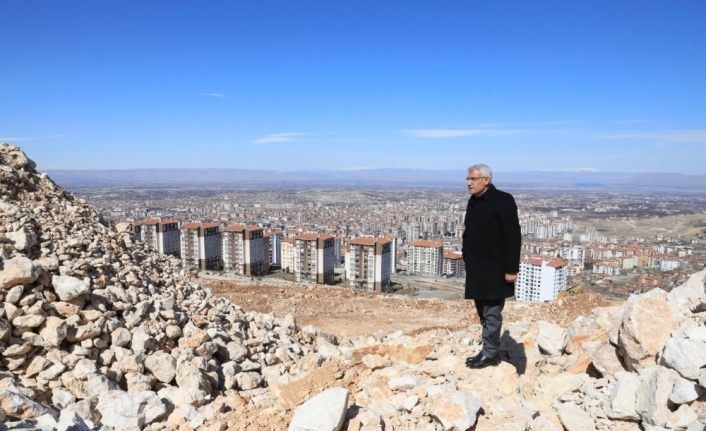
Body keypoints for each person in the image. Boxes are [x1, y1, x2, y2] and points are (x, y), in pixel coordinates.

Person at [462, 163, 521, 369]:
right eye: (467, 179)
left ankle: (490, 354)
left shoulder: (503, 201)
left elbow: (513, 236)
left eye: (473, 179)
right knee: (482, 310)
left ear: (486, 180)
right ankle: (490, 348)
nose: (468, 183)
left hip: (496, 269)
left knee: (492, 312)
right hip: (477, 269)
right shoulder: (474, 201)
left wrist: (512, 269)